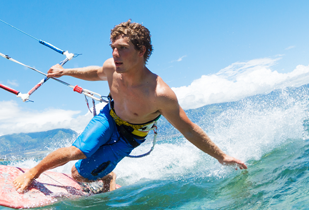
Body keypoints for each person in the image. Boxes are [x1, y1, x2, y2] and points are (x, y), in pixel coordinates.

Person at [13, 20, 247, 193]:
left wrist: (221, 156)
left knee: (79, 174)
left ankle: (108, 177)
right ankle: (34, 171)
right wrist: (66, 71)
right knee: (78, 151)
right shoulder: (112, 68)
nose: (115, 54)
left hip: (130, 136)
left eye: (123, 48)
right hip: (110, 117)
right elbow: (95, 72)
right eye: (113, 47)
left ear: (141, 51)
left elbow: (188, 129)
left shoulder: (159, 94)